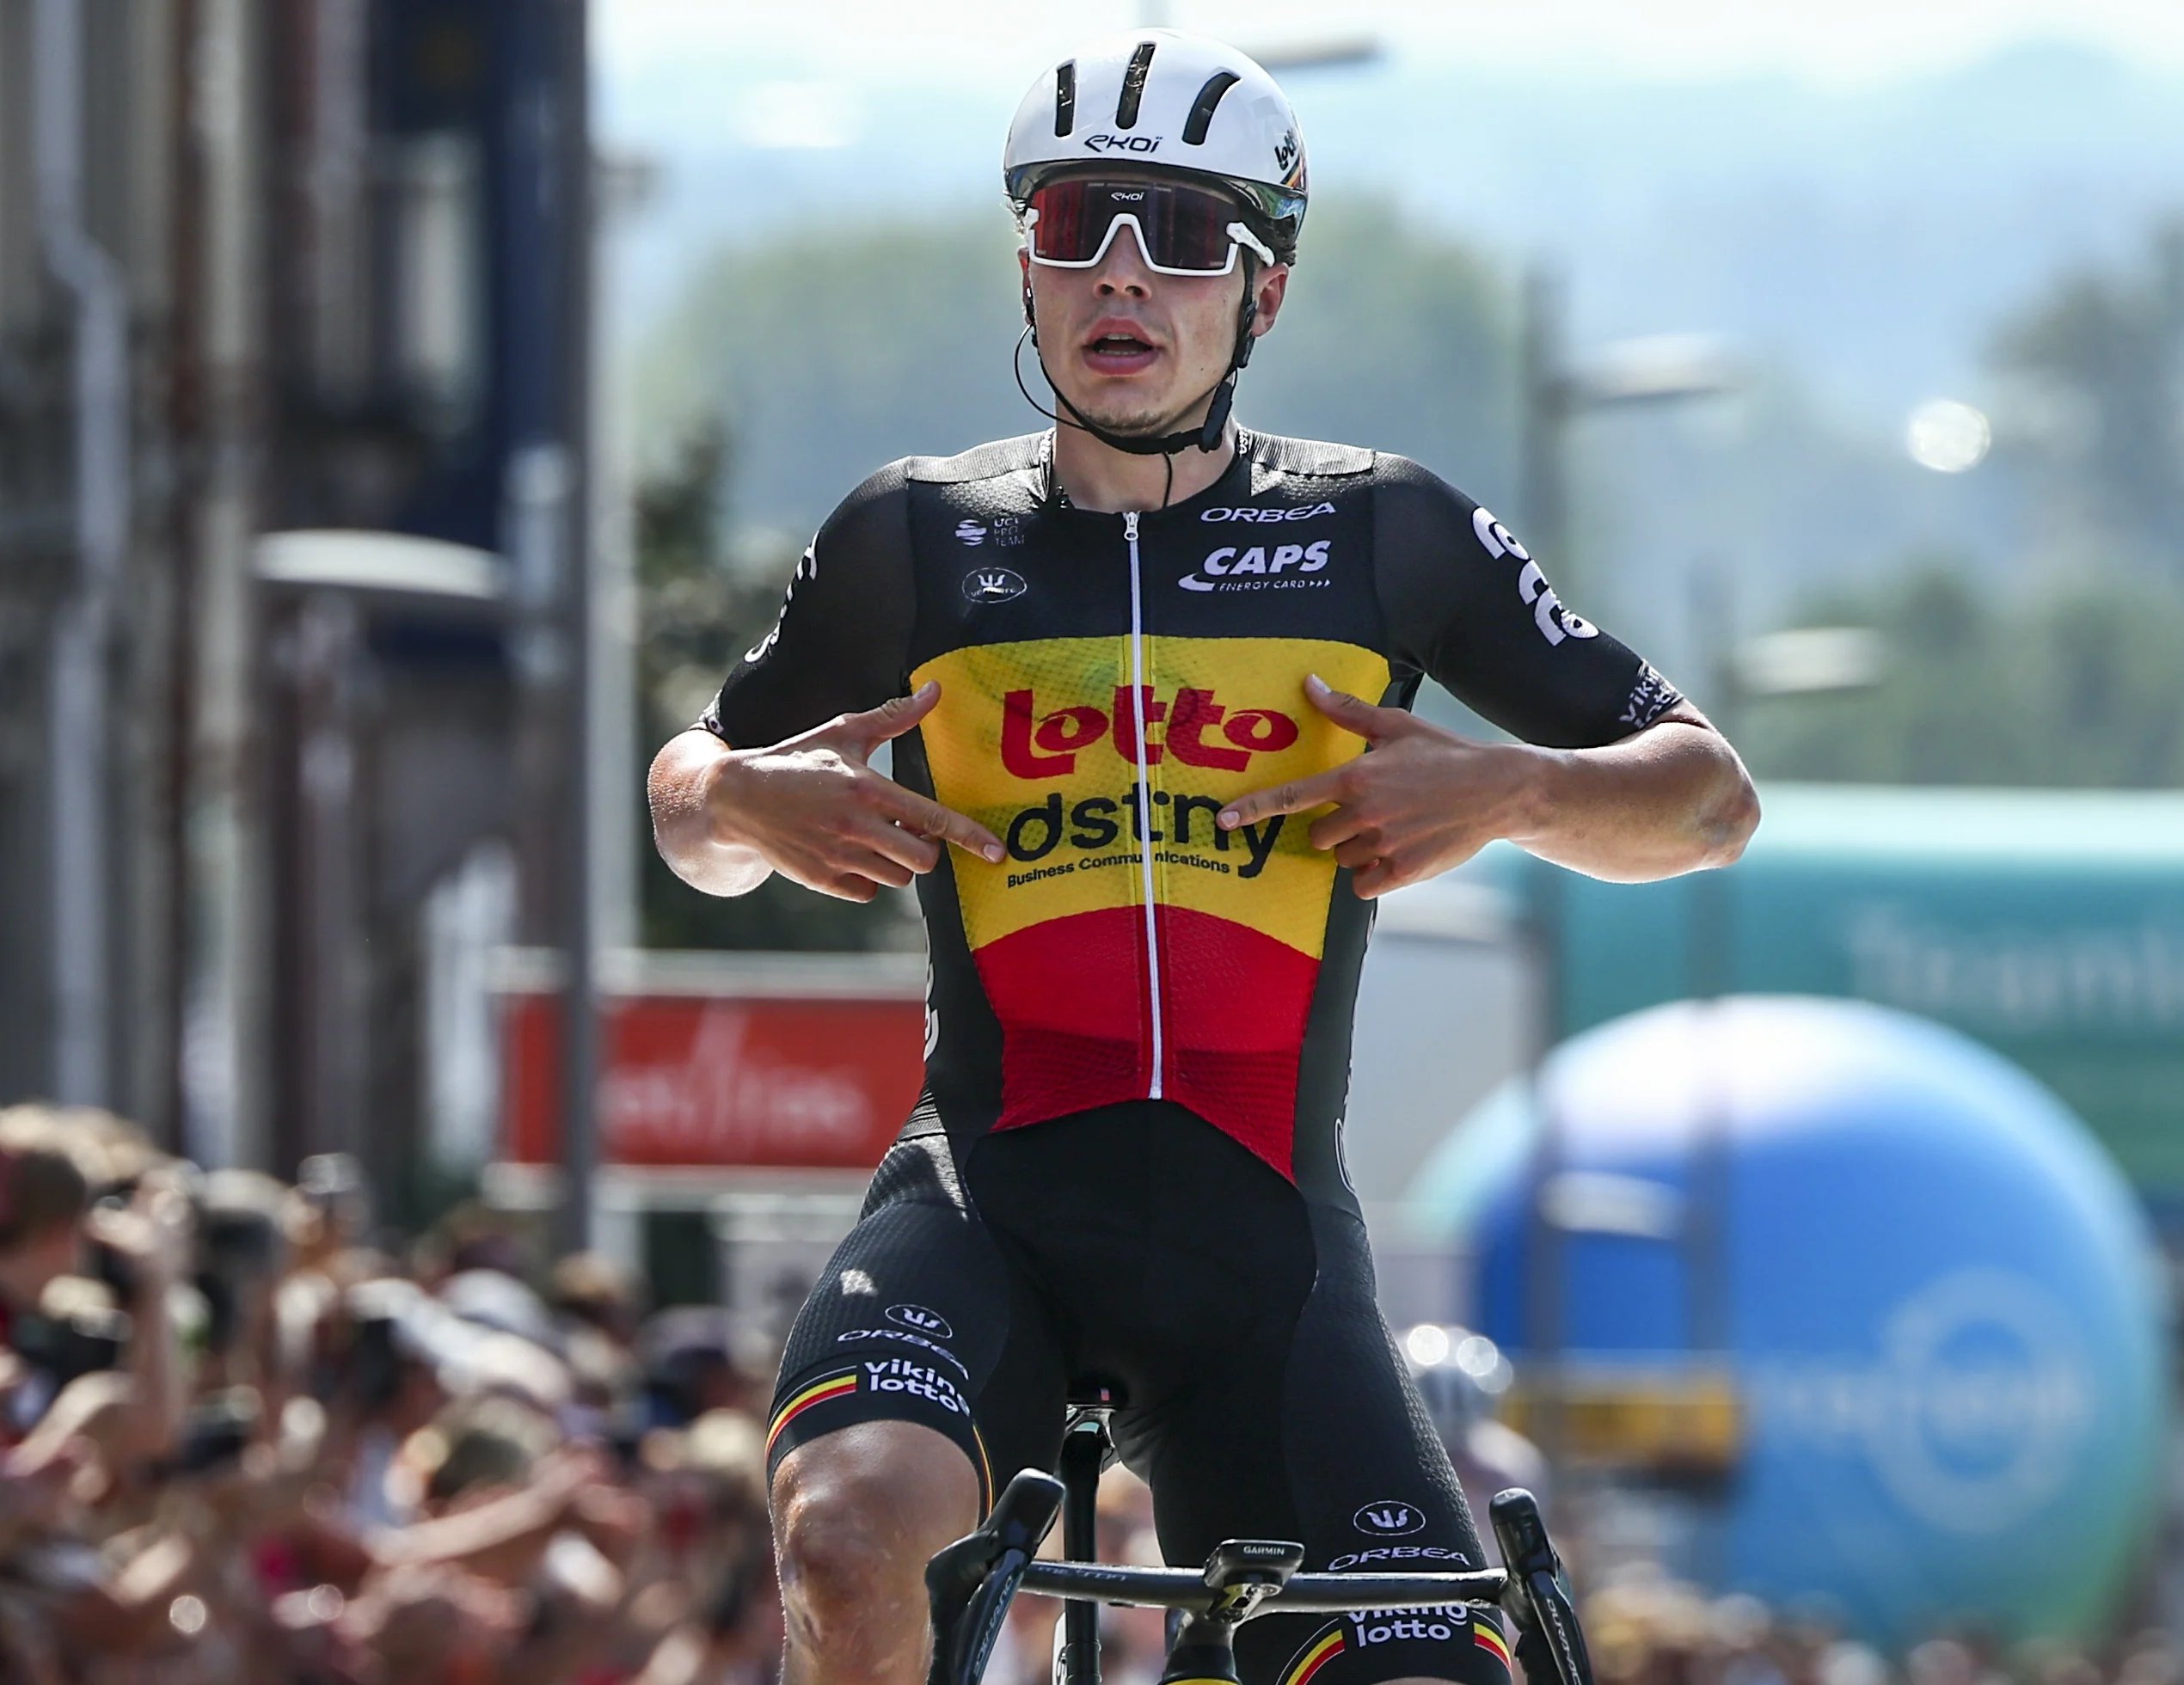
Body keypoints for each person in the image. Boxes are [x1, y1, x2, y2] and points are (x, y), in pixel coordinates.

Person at [647, 28, 1759, 1685]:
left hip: (1264, 1248)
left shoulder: (1386, 532)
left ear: (1264, 293)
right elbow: (686, 797)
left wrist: (1514, 791)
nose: (1122, 275)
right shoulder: (914, 537)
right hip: (990, 1204)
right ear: (1023, 267)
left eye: (1180, 235)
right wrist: (740, 804)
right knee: (844, 1535)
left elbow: (1709, 797)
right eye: (1078, 221)